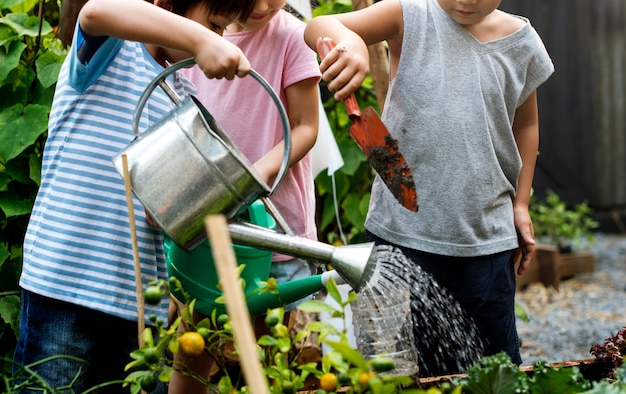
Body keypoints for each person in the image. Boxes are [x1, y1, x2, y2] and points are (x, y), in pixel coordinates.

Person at [12, 0, 255, 392]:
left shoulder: (184, 98)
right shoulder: (114, 52)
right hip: (65, 285)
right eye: (214, 24)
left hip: (137, 305)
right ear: (166, 5)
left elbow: (167, 207)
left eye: (224, 30)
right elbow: (94, 12)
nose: (219, 38)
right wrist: (198, 39)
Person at [303, 0, 554, 374]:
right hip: (401, 233)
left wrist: (520, 204)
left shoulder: (522, 42)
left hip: (486, 238)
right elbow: (318, 26)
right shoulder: (409, 14)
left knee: (493, 370)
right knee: (397, 370)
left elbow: (526, 125)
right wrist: (350, 42)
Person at [169, 0, 321, 391]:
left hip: (279, 231)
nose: (265, 4)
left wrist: (256, 175)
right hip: (212, 225)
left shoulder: (292, 36)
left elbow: (305, 127)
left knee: (290, 360)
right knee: (195, 347)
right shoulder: (199, 36)